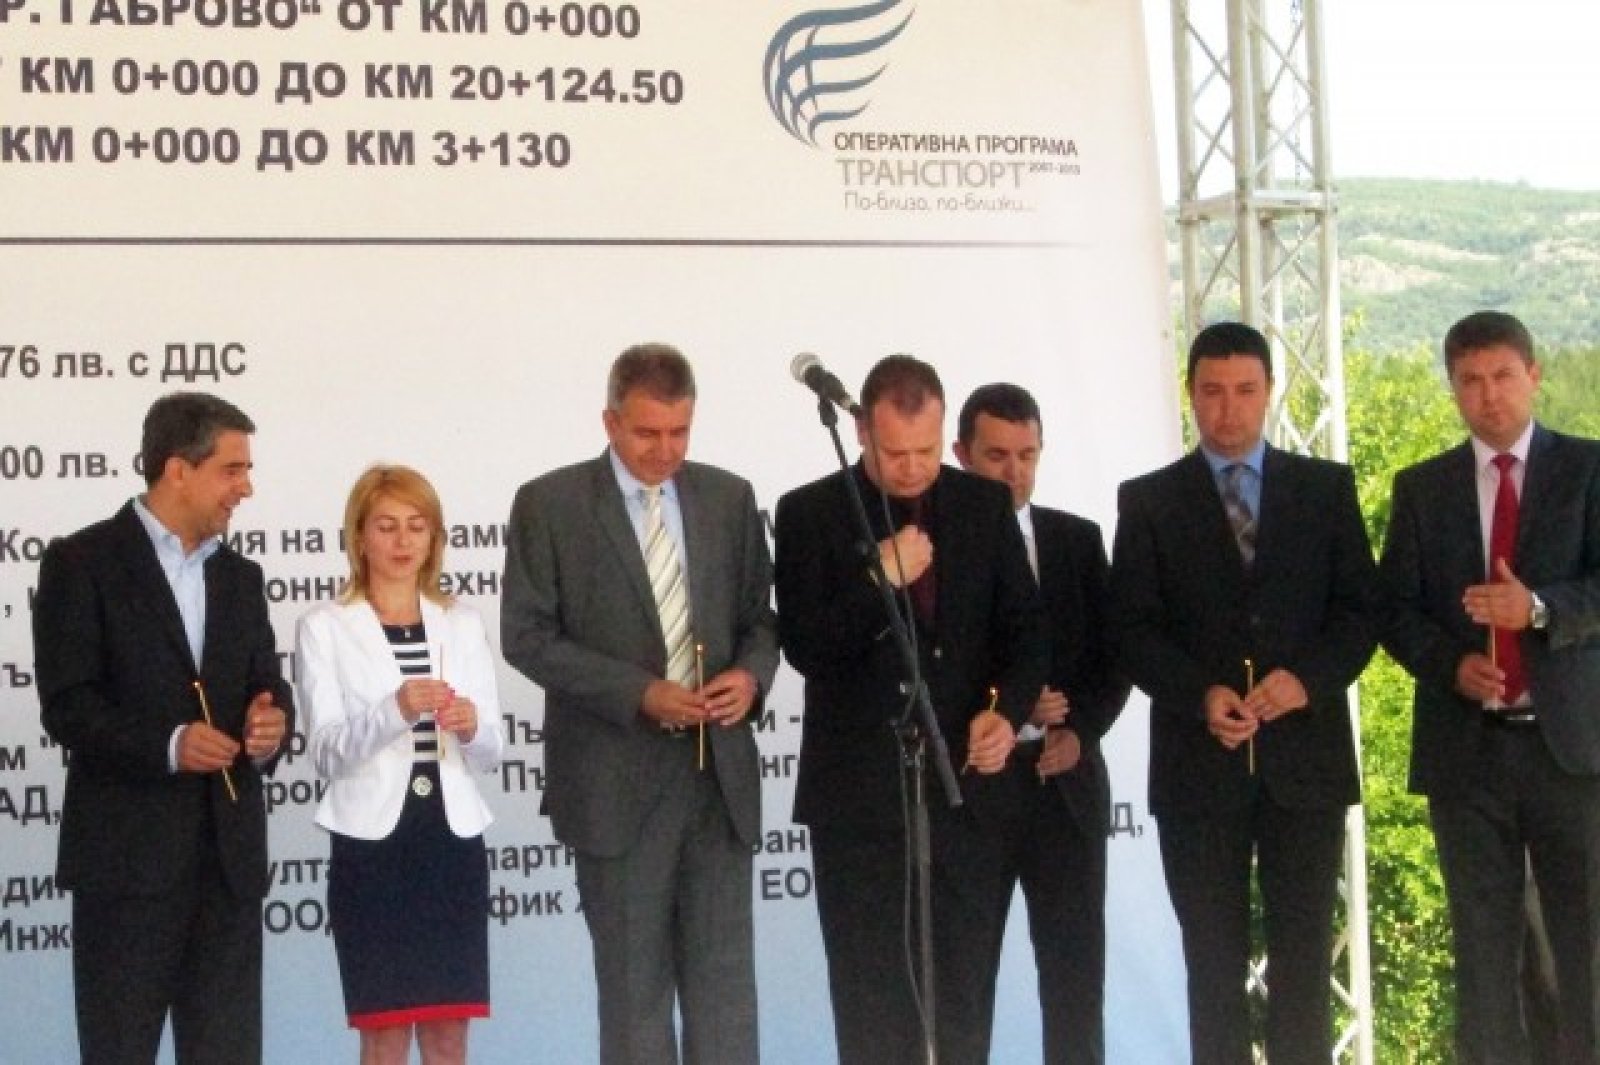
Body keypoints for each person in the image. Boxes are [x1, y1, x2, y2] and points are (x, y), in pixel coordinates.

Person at [501, 343, 779, 1065]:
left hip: (718, 784)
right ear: (610, 422)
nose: (665, 450)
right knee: (634, 1005)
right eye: (647, 432)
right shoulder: (551, 504)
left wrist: (749, 677)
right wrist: (639, 693)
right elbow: (526, 636)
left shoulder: (729, 497)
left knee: (726, 1000)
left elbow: (761, 619)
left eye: (680, 431)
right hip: (614, 791)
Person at [1109, 321, 1376, 1065]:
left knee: (1304, 964)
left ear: (1269, 392)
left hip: (1306, 767)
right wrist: (1199, 694)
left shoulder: (1325, 489)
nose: (1229, 408)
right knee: (1212, 966)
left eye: (1245, 391)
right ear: (1191, 394)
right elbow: (1130, 628)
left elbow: (1362, 612)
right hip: (1199, 769)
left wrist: (1307, 680)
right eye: (1213, 391)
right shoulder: (1150, 500)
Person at [773, 354, 1047, 1065]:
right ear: (863, 431)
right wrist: (880, 579)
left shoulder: (983, 505)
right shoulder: (809, 512)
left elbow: (1027, 636)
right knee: (870, 1003)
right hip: (858, 803)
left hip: (965, 793)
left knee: (964, 997)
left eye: (927, 450)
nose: (915, 467)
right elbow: (805, 646)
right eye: (896, 453)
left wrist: (1003, 712)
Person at [32, 391, 293, 1064]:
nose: (246, 488)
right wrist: (170, 746)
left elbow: (269, 683)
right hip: (126, 869)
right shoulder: (82, 562)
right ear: (179, 469)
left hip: (229, 868)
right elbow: (68, 704)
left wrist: (272, 723)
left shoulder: (241, 577)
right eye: (232, 469)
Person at [1378, 309, 1600, 1065]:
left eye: (1503, 375)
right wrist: (1451, 666)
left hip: (1571, 751)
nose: (1489, 394)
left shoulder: (1588, 470)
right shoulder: (1422, 488)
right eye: (1470, 380)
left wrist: (1535, 608)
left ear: (1534, 375)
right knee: (1482, 953)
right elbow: (1394, 611)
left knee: (1585, 949)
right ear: (1452, 389)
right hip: (1468, 753)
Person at [295, 465, 504, 1064]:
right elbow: (326, 752)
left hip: (451, 842)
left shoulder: (461, 622)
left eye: (417, 526)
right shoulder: (325, 627)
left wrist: (470, 726)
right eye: (386, 526)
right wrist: (396, 710)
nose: (403, 540)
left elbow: (493, 751)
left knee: (448, 1032)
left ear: (434, 537)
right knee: (384, 1033)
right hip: (373, 851)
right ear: (360, 537)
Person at [952, 383, 1130, 1065]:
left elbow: (1116, 656)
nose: (1014, 471)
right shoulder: (938, 546)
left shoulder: (1076, 540)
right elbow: (938, 666)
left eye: (1027, 455)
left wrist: (1080, 730)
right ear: (962, 454)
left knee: (1076, 980)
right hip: (977, 790)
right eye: (997, 455)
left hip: (1066, 787)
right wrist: (1009, 704)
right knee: (965, 979)